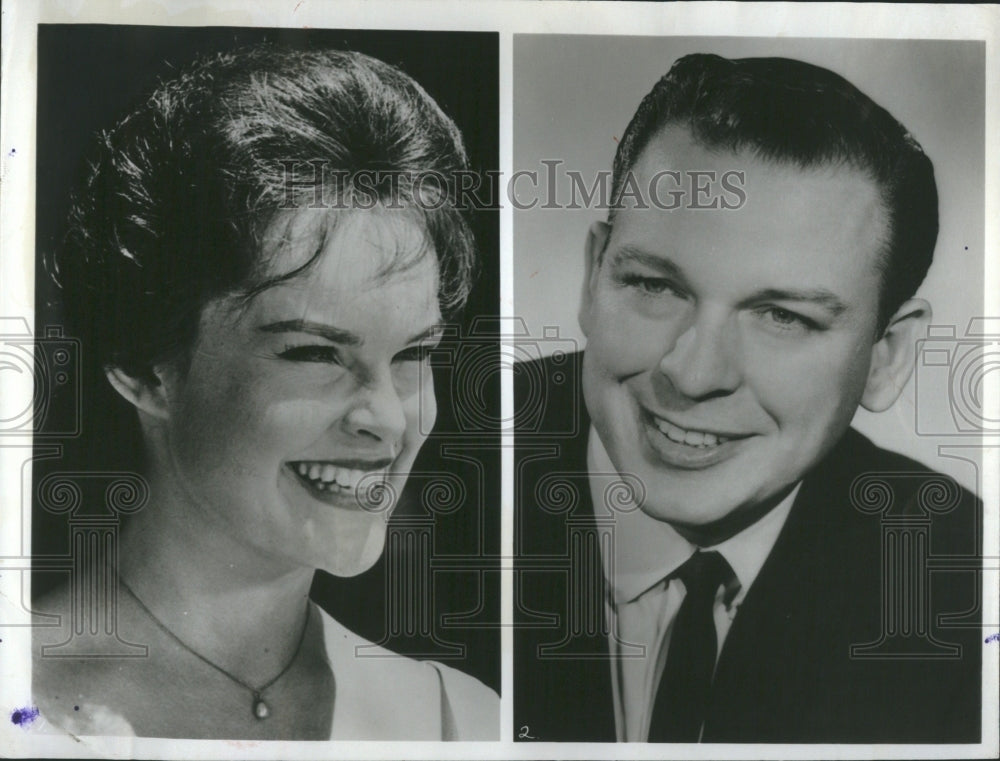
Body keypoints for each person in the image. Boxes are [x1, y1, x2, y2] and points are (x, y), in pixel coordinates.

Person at [33, 44, 498, 740]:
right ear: (142, 364)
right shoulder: (24, 703)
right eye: (314, 353)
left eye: (413, 353)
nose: (386, 418)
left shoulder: (460, 720)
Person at [514, 54, 981, 743]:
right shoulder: (410, 484)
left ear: (886, 355)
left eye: (783, 316)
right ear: (594, 276)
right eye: (655, 285)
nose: (694, 374)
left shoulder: (958, 584)